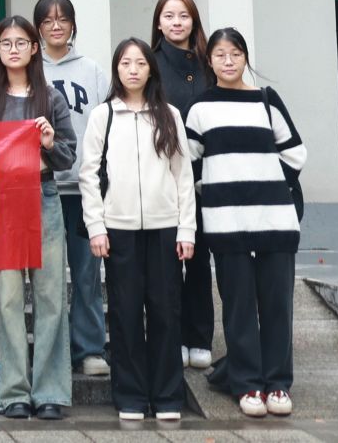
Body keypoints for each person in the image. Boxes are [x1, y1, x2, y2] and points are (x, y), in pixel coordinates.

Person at [186, 28, 306, 420]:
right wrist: (219, 189)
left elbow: (295, 153)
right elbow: (190, 163)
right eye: (220, 54)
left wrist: (262, 184)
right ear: (209, 61)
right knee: (238, 306)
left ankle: (278, 383)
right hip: (226, 222)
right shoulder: (201, 107)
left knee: (277, 305)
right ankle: (247, 383)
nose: (228, 61)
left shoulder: (266, 100)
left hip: (275, 220)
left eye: (235, 53)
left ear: (245, 58)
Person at [80, 38, 195, 423]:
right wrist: (96, 226)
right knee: (125, 313)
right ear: (116, 69)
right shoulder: (104, 116)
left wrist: (187, 230)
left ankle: (167, 396)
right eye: (126, 63)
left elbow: (183, 175)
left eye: (140, 63)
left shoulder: (169, 115)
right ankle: (129, 395)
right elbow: (88, 175)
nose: (133, 70)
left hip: (165, 229)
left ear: (151, 69)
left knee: (166, 312)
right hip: (119, 229)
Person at [0, 15, 78, 420]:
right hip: (1, 201)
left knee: (51, 296)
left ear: (35, 48)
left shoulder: (51, 98)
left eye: (21, 42)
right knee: (8, 298)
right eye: (6, 43)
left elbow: (68, 157)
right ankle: (14, 390)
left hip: (43, 194)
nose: (14, 49)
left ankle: (51, 390)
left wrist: (50, 142)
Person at [36, 0, 110, 378]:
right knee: (47, 278)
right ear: (38, 28)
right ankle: (52, 350)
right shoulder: (30, 70)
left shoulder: (92, 71)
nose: (56, 26)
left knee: (86, 273)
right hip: (41, 187)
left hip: (83, 188)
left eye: (63, 19)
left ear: (72, 24)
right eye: (48, 20)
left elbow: (106, 124)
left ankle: (90, 347)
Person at [149, 0, 214, 370]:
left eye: (184, 16)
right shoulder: (150, 63)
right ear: (158, 23)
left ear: (194, 21)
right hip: (163, 177)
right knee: (166, 263)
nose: (177, 22)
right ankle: (171, 337)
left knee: (200, 259)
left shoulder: (209, 63)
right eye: (169, 16)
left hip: (207, 178)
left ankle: (200, 337)